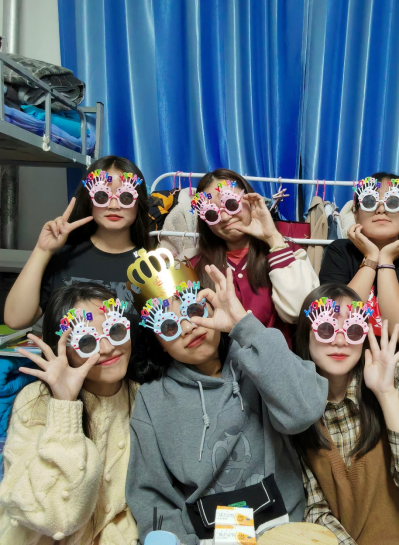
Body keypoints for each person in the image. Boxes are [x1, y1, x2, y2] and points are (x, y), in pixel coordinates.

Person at [125, 252, 328, 544]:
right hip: (205, 537)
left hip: (283, 529)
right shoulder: (152, 399)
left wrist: (243, 325)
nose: (188, 326)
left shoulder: (258, 358)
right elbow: (151, 494)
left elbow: (304, 411)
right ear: (159, 344)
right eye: (168, 325)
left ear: (209, 305)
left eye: (193, 309)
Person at [294, 283, 399, 545]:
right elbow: (315, 510)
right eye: (326, 328)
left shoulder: (396, 376)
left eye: (352, 330)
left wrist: (386, 394)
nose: (339, 341)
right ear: (306, 333)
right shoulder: (295, 405)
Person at [0, 282, 139, 544]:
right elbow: (54, 519)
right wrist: (64, 406)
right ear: (62, 349)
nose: (107, 348)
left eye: (115, 330)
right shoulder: (35, 401)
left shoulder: (143, 399)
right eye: (86, 341)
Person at [4, 155, 150, 331]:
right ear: (89, 200)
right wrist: (42, 250)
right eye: (102, 195)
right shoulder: (63, 257)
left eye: (125, 197)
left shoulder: (151, 267)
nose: (113, 205)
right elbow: (15, 320)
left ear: (138, 202)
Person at [319, 173, 399, 375]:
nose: (381, 209)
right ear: (356, 214)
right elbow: (338, 320)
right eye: (369, 202)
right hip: (344, 370)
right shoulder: (339, 251)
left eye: (393, 202)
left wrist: (386, 260)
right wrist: (371, 258)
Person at [190, 169, 319, 346]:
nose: (225, 217)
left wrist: (272, 238)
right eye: (211, 213)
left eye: (231, 203)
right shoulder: (194, 268)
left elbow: (300, 312)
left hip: (282, 362)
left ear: (249, 199)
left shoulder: (289, 252)